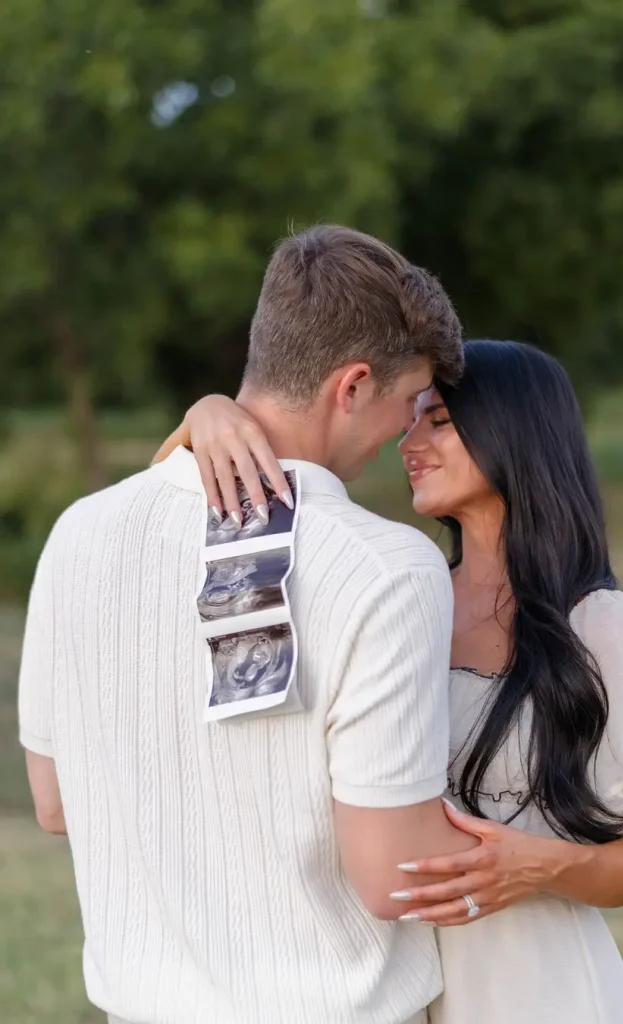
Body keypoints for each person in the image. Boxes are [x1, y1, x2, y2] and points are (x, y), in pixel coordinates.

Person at [166, 339, 623, 1023]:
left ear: (513, 432)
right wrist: (211, 414)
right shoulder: (399, 595)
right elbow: (165, 516)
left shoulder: (602, 627)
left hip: (535, 986)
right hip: (383, 982)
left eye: (440, 421)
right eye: (410, 418)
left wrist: (537, 866)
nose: (408, 442)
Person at [17, 224, 481, 1024]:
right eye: (409, 406)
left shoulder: (77, 534)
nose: (404, 436)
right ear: (352, 386)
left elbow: (55, 805)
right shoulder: (388, 569)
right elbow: (393, 875)